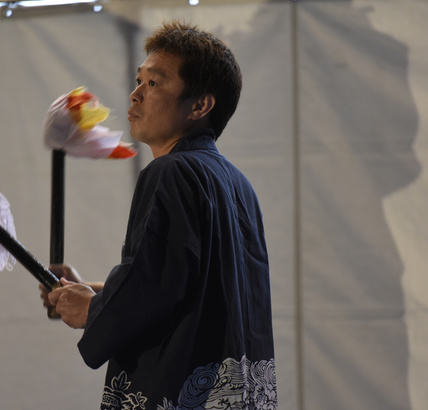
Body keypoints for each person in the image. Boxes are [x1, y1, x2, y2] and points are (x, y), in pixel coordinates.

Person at [42, 20, 277, 409]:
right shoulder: (238, 183)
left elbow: (154, 286)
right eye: (139, 80)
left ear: (200, 105)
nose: (135, 94)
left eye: (153, 83)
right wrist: (97, 292)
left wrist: (93, 310)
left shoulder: (171, 171)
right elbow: (194, 284)